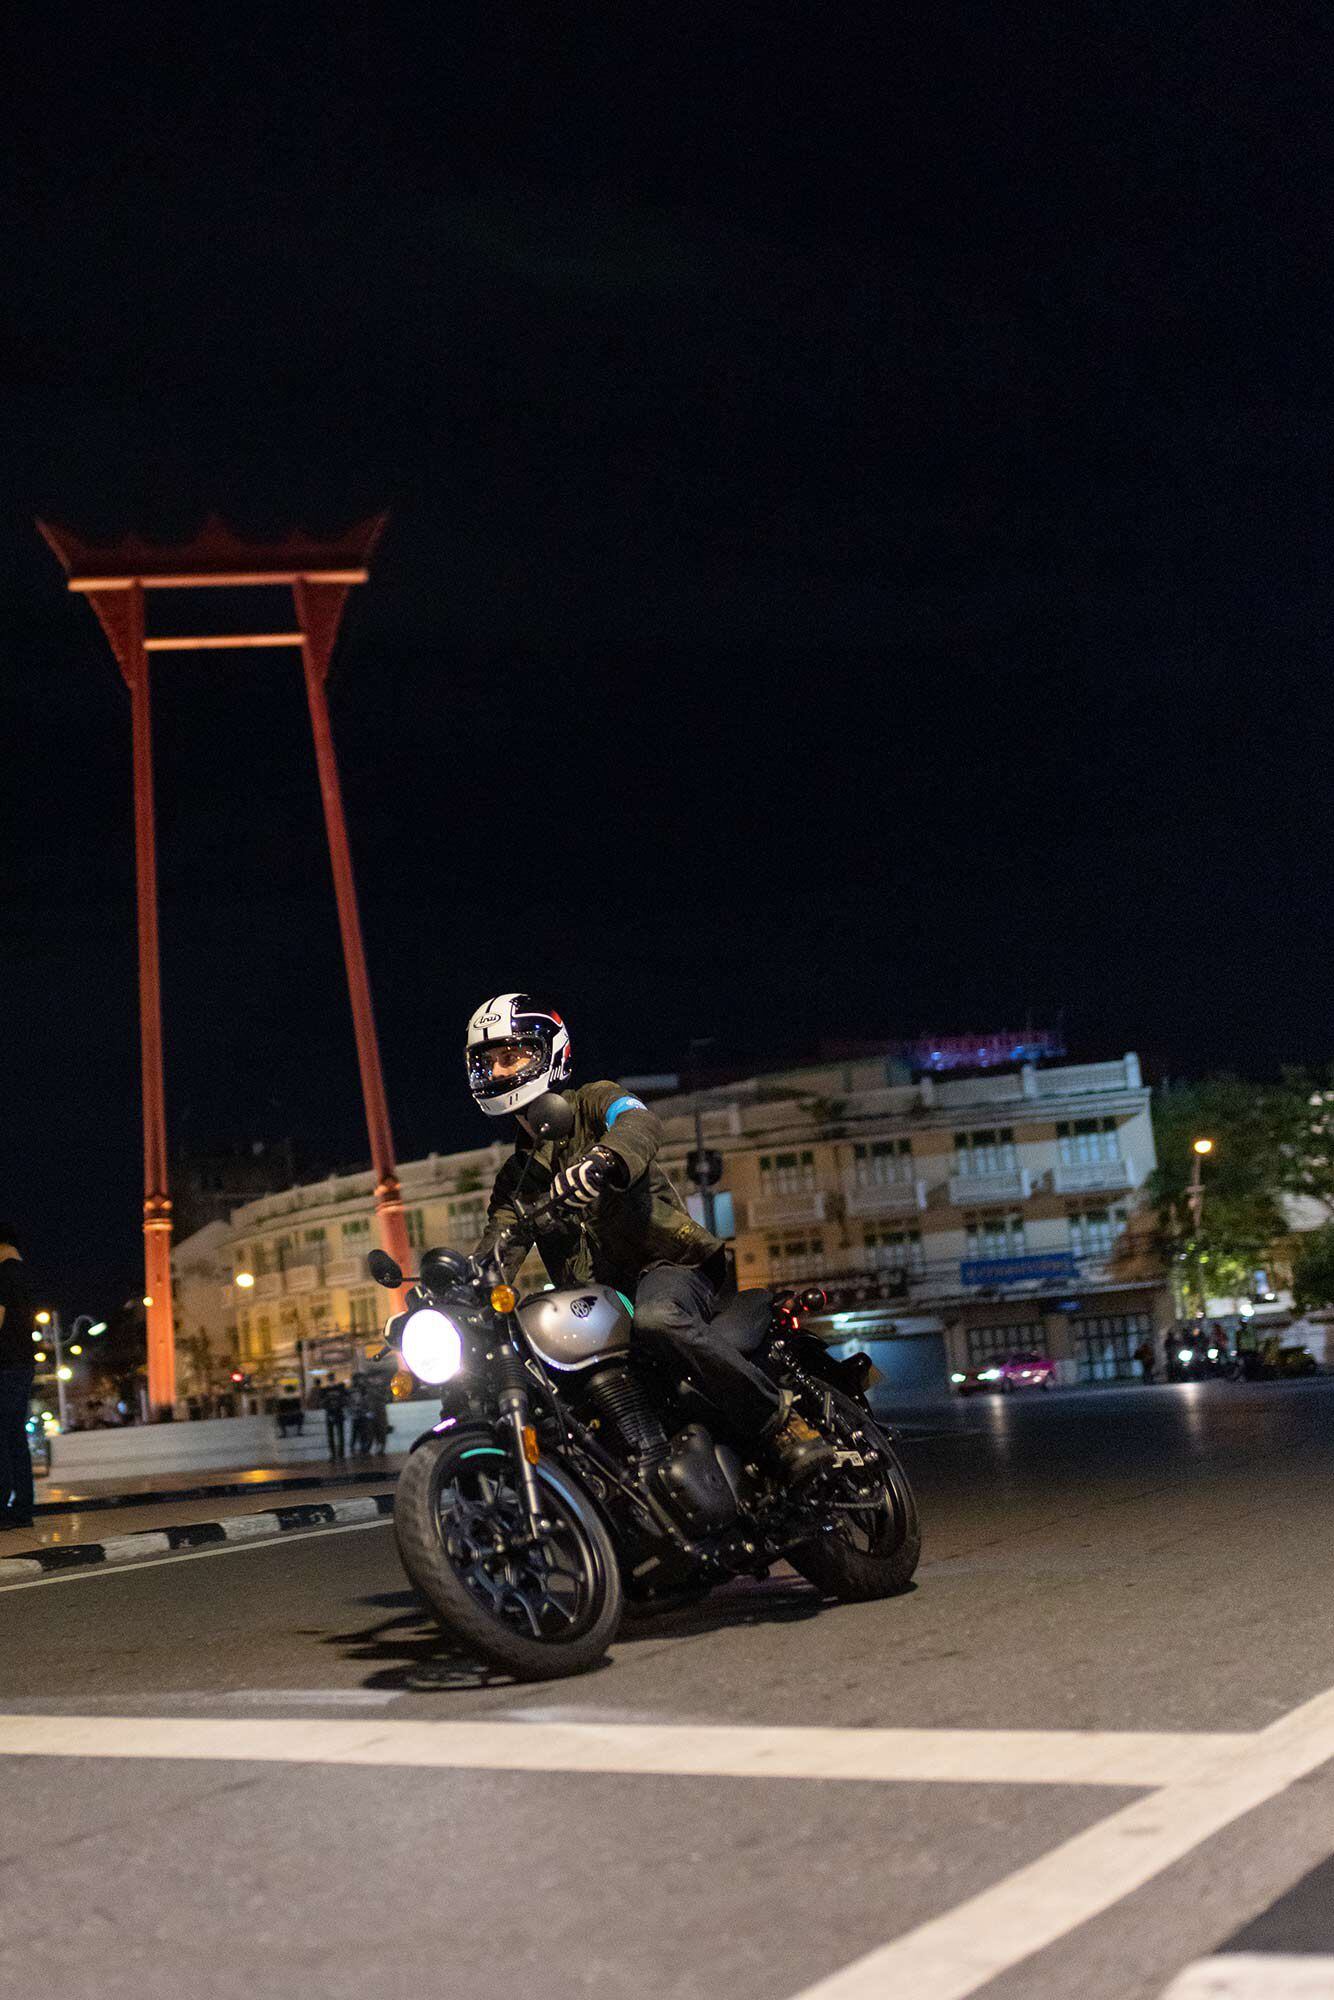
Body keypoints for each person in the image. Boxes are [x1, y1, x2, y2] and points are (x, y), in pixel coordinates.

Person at [466, 993, 833, 1483]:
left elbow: (638, 1121)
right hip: (602, 1303)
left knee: (659, 1319)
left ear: (549, 1052)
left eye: (511, 1055)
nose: (500, 1070)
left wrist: (603, 1160)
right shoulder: (517, 1179)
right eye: (488, 1061)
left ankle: (781, 1421)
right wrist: (452, 1293)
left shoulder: (596, 1103)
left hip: (669, 1266)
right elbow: (496, 1248)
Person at [0, 1228, 38, 1531]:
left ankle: (3, 1507)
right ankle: (23, 1507)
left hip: (5, 1366)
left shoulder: (3, 1275)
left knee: (4, 1436)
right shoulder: (23, 1275)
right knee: (15, 1437)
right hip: (23, 1364)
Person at [321, 1378, 348, 1461]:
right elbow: (344, 1401)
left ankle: (334, 1455)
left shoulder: (325, 1390)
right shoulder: (339, 1390)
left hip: (332, 1414)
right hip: (337, 1414)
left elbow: (323, 1403)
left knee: (334, 1436)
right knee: (338, 1436)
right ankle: (339, 1455)